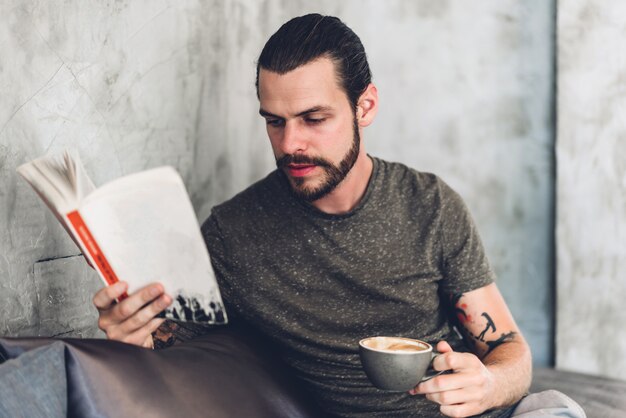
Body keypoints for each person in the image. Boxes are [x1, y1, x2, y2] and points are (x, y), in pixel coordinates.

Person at [93, 14, 586, 418]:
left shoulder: (430, 205)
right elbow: (168, 351)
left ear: (365, 105)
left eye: (314, 119)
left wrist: (488, 382)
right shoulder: (232, 235)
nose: (290, 145)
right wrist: (129, 336)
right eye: (275, 121)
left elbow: (510, 351)